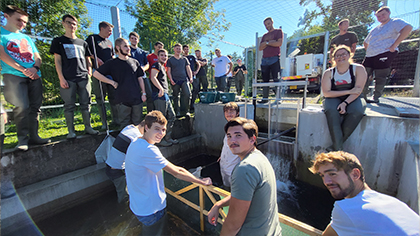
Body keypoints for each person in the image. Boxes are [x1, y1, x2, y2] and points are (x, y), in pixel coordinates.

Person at [125, 110, 212, 235]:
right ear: (146, 127)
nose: (161, 133)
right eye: (157, 129)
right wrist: (200, 181)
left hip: (138, 205)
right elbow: (177, 172)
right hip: (151, 210)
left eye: (163, 130)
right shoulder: (148, 150)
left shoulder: (135, 142)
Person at [309, 151, 420, 235]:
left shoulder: (346, 209)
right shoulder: (393, 202)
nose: (326, 182)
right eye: (322, 175)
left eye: (332, 174)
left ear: (355, 175)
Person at [208, 117, 281, 236]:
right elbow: (243, 195)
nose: (232, 140)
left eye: (238, 135)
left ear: (252, 139)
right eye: (229, 136)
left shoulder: (244, 169)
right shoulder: (259, 158)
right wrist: (219, 204)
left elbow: (233, 224)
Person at [0, 5, 50, 151]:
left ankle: (34, 136)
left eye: (25, 22)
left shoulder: (25, 37)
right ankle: (22, 140)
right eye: (19, 20)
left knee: (35, 107)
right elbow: (2, 54)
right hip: (13, 75)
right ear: (6, 16)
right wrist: (23, 69)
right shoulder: (1, 33)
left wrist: (35, 68)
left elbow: (37, 56)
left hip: (34, 75)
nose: (22, 24)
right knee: (21, 106)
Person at [50, 14, 99, 139]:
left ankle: (88, 127)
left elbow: (88, 59)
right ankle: (71, 131)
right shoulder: (58, 41)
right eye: (69, 23)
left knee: (86, 103)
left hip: (83, 77)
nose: (71, 25)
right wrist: (61, 77)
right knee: (69, 105)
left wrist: (89, 71)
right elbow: (58, 61)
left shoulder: (82, 42)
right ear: (63, 23)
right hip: (68, 78)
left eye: (74, 23)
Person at [93, 38, 146, 129]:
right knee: (125, 126)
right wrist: (111, 82)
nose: (128, 48)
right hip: (122, 99)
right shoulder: (112, 63)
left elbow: (140, 78)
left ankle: (137, 143)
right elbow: (95, 74)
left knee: (138, 124)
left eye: (128, 46)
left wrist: (144, 93)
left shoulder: (134, 62)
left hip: (137, 98)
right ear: (118, 47)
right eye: (125, 46)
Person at [362, 6, 412, 103]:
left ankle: (375, 97)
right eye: (378, 16)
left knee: (380, 76)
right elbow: (365, 42)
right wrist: (369, 51)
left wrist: (394, 45)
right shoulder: (375, 29)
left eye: (383, 15)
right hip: (370, 55)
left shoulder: (394, 22)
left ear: (388, 13)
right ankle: (362, 96)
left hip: (384, 53)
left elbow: (408, 28)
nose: (381, 17)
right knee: (363, 75)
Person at [321, 45, 367, 151]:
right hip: (334, 96)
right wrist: (348, 91)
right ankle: (339, 148)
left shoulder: (358, 69)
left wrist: (345, 103)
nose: (341, 57)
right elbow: (327, 93)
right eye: (337, 55)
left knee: (357, 110)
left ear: (349, 55)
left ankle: (335, 147)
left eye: (343, 54)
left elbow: (357, 90)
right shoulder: (329, 73)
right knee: (332, 110)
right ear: (334, 58)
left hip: (354, 97)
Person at [86, 21, 118, 128]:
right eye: (109, 30)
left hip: (111, 73)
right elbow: (86, 52)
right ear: (102, 29)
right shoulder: (92, 39)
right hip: (98, 72)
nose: (110, 33)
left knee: (113, 97)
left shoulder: (109, 42)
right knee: (101, 98)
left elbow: (112, 55)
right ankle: (104, 122)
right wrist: (95, 58)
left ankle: (115, 119)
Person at [105, 120, 144, 203]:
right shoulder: (136, 137)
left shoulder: (129, 127)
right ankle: (121, 212)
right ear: (145, 128)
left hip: (109, 166)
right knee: (124, 197)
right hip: (117, 171)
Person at [149, 49, 178, 147]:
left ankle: (167, 138)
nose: (164, 57)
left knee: (172, 116)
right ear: (157, 56)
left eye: (165, 55)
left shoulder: (163, 67)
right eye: (162, 55)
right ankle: (160, 141)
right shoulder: (156, 65)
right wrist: (160, 89)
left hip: (165, 95)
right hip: (159, 95)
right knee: (160, 120)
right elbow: (153, 77)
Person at [258, 17, 283, 103]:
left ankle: (278, 98)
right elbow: (260, 48)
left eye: (268, 24)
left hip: (274, 58)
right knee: (265, 80)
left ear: (272, 22)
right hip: (265, 60)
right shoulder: (264, 36)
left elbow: (279, 43)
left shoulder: (278, 32)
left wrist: (267, 43)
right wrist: (271, 42)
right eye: (265, 25)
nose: (267, 26)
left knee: (276, 78)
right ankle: (265, 98)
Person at [128, 32, 153, 112]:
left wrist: (143, 69)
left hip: (143, 76)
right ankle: (137, 114)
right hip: (132, 77)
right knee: (135, 96)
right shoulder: (128, 50)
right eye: (132, 38)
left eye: (135, 38)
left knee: (149, 94)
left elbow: (147, 64)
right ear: (129, 39)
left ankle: (149, 113)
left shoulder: (142, 52)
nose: (134, 40)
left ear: (138, 40)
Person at [218, 102, 241, 189]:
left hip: (234, 167)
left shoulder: (240, 128)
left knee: (235, 191)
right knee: (225, 188)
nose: (229, 114)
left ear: (237, 113)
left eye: (231, 111)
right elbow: (226, 145)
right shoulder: (228, 126)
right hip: (224, 165)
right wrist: (222, 156)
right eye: (226, 111)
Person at [166, 43, 193, 117]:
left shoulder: (184, 59)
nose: (178, 50)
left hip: (184, 80)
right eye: (177, 48)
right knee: (176, 96)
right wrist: (171, 79)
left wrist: (190, 77)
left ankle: (186, 111)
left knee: (187, 94)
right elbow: (168, 71)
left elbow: (188, 69)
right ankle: (177, 111)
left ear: (181, 50)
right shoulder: (170, 60)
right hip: (175, 80)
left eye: (179, 49)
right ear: (174, 49)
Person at [182, 45, 201, 112]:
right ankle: (185, 107)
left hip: (192, 76)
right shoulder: (181, 58)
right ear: (183, 50)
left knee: (195, 89)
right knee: (186, 92)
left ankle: (192, 104)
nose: (186, 50)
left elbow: (199, 64)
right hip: (184, 77)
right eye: (185, 49)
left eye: (187, 49)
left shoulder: (192, 57)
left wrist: (196, 71)